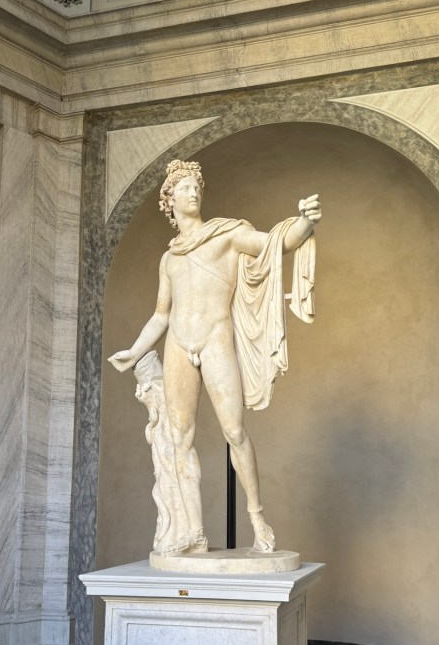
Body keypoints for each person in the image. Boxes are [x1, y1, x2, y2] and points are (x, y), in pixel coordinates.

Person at [111, 159, 321, 552]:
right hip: (178, 343)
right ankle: (195, 532)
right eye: (185, 187)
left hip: (215, 338)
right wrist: (135, 350)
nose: (194, 192)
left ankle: (257, 518)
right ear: (169, 199)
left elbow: (274, 243)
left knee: (234, 431)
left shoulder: (226, 234)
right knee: (180, 438)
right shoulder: (169, 259)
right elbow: (161, 314)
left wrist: (304, 223)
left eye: (197, 187)